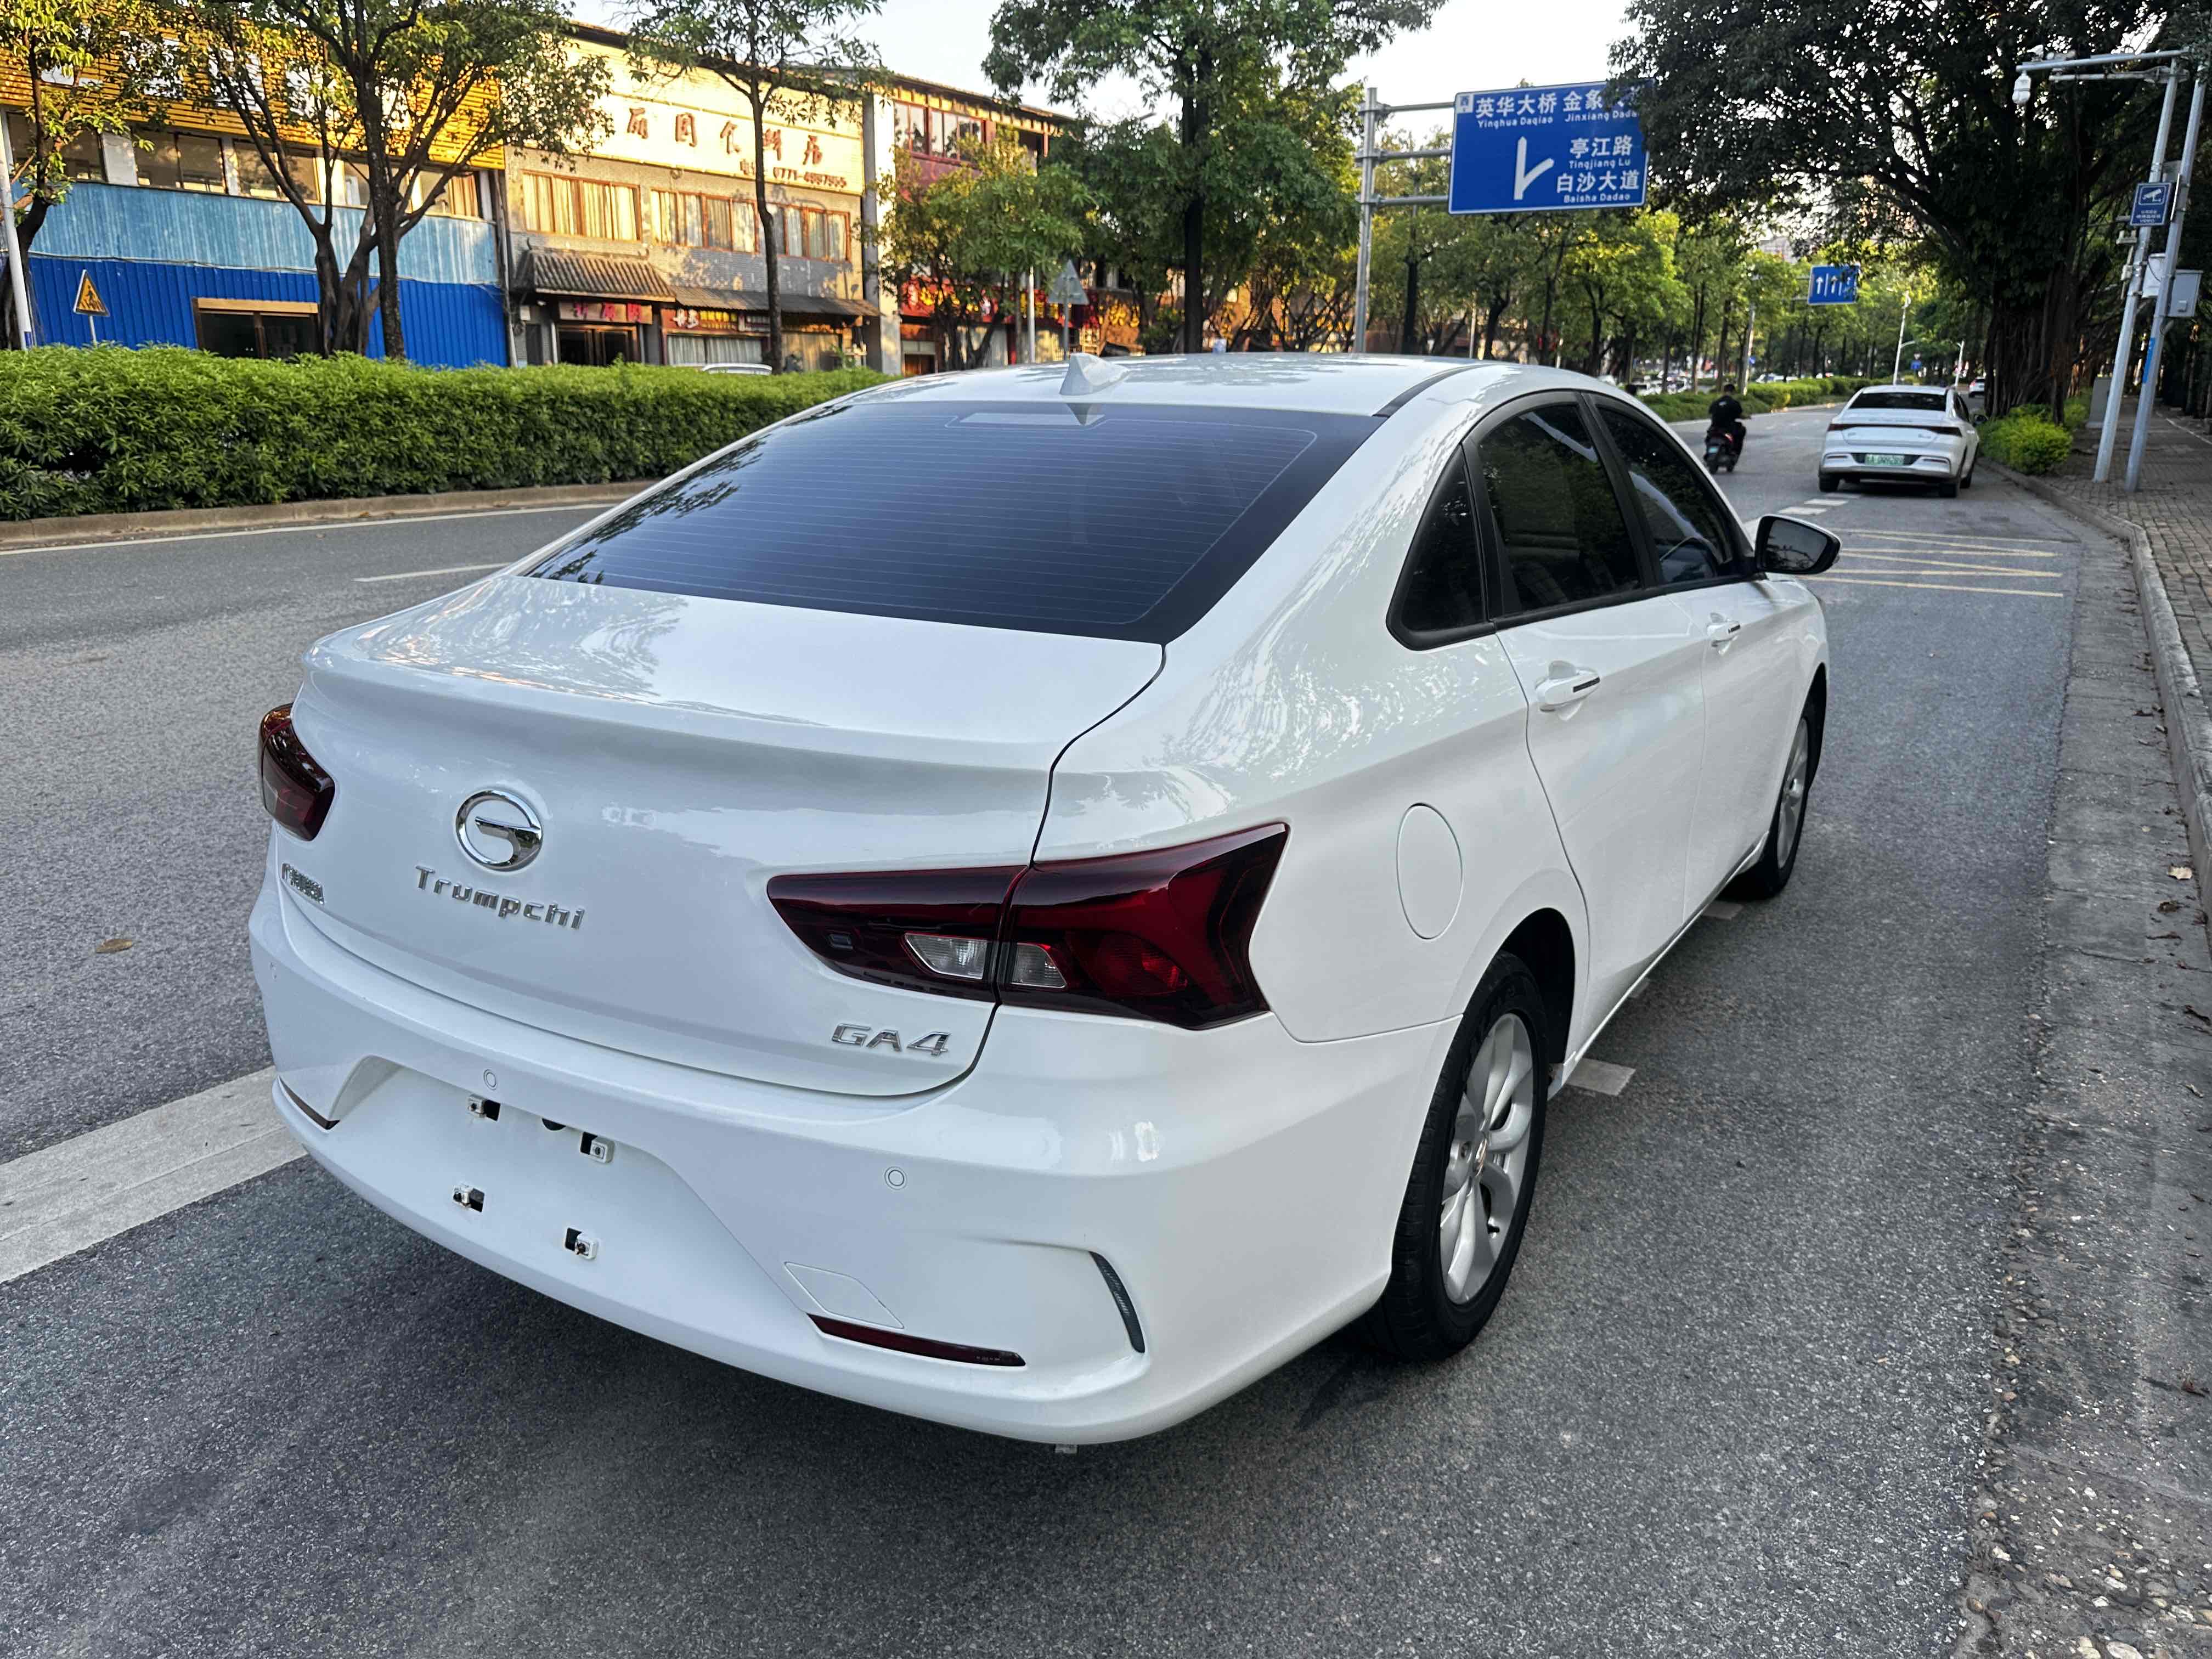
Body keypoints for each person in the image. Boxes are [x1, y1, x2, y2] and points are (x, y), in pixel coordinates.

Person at [1707, 383, 1746, 456]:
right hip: (1729, 428)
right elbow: (1739, 415)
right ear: (1733, 392)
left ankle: (1708, 453)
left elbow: (1710, 414)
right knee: (1742, 430)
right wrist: (1746, 417)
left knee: (1708, 437)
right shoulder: (1734, 403)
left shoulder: (1716, 403)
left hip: (1715, 427)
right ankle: (1735, 451)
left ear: (1724, 391)